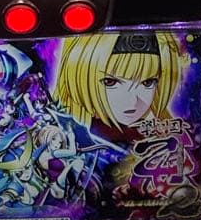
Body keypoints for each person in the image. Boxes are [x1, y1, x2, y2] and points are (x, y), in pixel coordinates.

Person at [53, 31, 186, 143]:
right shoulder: (68, 132)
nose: (132, 101)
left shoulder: (160, 133)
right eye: (110, 82)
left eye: (148, 82)